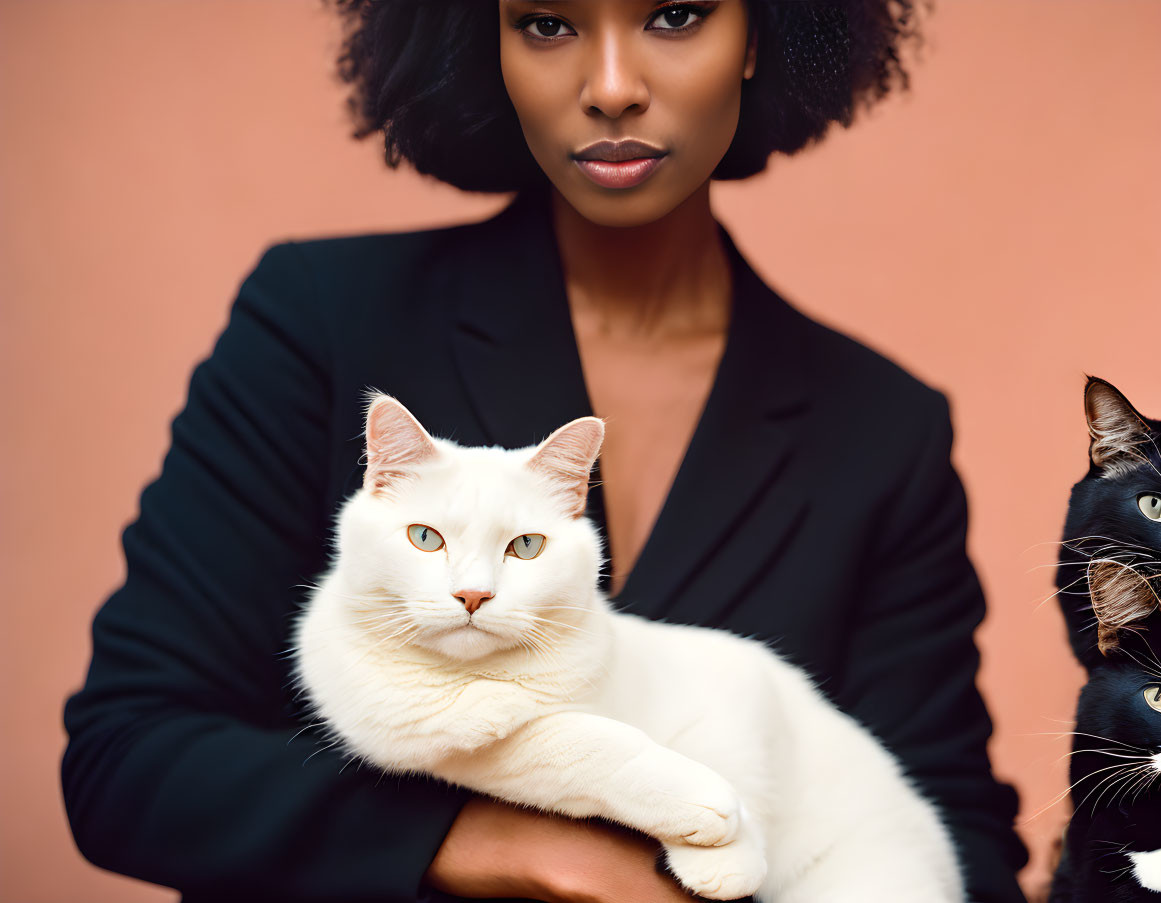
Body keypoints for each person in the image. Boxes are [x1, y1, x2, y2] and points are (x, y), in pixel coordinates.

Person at [61, 2, 1029, 901]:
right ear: (481, 42)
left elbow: (950, 835)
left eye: (674, 13)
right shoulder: (322, 320)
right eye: (547, 21)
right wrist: (501, 845)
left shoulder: (881, 428)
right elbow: (131, 755)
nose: (611, 84)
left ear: (760, 30)